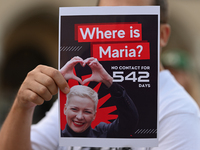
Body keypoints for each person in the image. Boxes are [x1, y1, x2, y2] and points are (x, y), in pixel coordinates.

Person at [0, 0, 200, 149]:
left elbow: (130, 120)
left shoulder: (178, 112)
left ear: (162, 35)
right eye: (106, 19)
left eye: (133, 20)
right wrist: (23, 105)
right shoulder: (78, 97)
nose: (117, 29)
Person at [61, 57, 139, 138]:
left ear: (94, 115)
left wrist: (108, 80)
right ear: (65, 109)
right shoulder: (54, 134)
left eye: (87, 112)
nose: (80, 117)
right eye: (74, 109)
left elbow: (129, 121)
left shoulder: (104, 133)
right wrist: (58, 78)